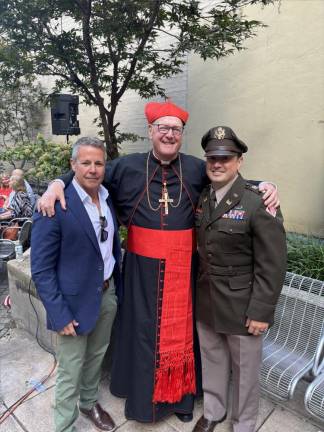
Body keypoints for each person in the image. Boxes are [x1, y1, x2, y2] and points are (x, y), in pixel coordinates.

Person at [37, 101, 279, 424]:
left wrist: (262, 186)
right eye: (162, 128)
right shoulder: (127, 167)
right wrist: (57, 183)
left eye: (175, 130)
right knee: (143, 337)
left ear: (181, 135)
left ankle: (180, 401)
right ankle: (143, 403)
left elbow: (229, 182)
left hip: (183, 269)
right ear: (150, 131)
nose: (168, 134)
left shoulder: (196, 168)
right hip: (141, 271)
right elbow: (87, 171)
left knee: (183, 336)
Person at [193, 126, 287, 432]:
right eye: (212, 158)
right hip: (207, 300)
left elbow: (272, 264)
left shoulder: (258, 202)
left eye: (225, 157)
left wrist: (261, 312)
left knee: (246, 371)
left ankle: (244, 423)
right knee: (213, 360)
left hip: (243, 306)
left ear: (239, 160)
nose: (217, 163)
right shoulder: (204, 196)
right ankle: (213, 411)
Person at [31, 137, 122, 432]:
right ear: (72, 165)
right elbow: (41, 269)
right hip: (72, 304)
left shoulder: (108, 197)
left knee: (96, 356)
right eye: (85, 163)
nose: (93, 169)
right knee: (70, 369)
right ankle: (65, 425)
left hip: (107, 294)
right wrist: (58, 313)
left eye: (98, 163)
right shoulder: (54, 204)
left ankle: (88, 402)